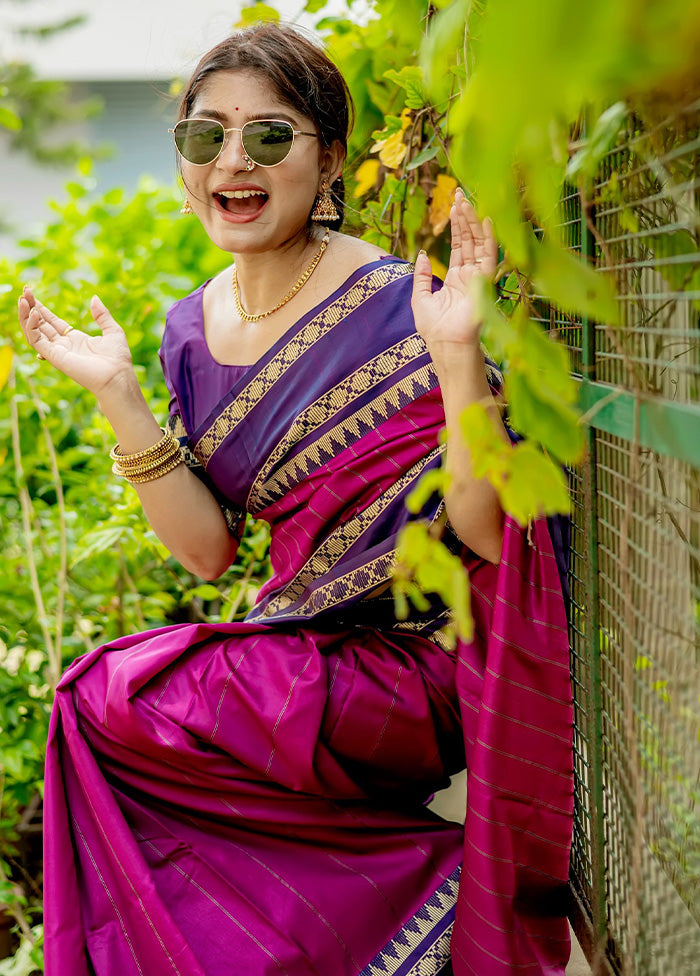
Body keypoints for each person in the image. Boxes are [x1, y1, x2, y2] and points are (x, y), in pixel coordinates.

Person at [18, 22, 573, 976]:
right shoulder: (189, 333)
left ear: (327, 164)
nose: (234, 163)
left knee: (105, 696)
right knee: (100, 721)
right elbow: (205, 553)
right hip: (292, 666)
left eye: (269, 137)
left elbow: (485, 530)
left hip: (409, 671)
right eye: (206, 137)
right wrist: (118, 397)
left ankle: (428, 885)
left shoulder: (409, 304)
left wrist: (456, 356)